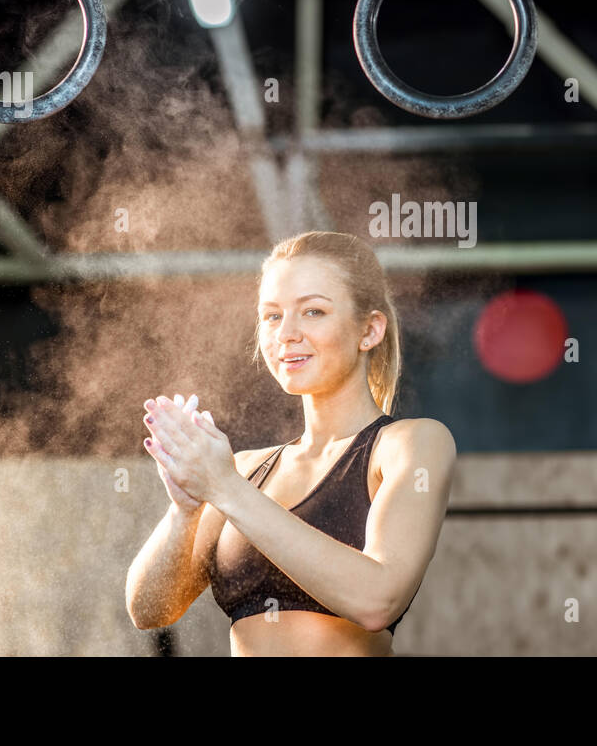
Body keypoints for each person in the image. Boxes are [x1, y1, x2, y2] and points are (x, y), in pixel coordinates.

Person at [125, 230, 456, 656]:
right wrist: (186, 508)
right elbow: (149, 610)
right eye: (272, 315)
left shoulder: (411, 443)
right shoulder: (244, 470)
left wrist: (224, 488)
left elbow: (377, 601)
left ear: (370, 330)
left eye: (313, 311)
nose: (286, 334)